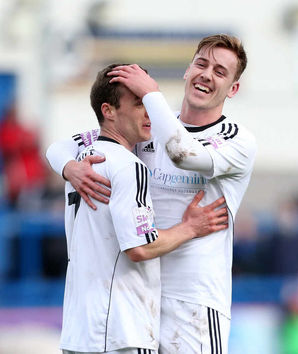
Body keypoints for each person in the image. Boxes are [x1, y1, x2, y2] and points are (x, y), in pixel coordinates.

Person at [46, 34, 256, 353]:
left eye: (220, 71)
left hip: (194, 302)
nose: (207, 75)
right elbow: (61, 146)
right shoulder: (150, 124)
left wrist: (151, 94)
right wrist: (69, 169)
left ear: (233, 88)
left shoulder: (236, 140)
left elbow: (185, 155)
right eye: (201, 64)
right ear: (188, 70)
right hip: (140, 298)